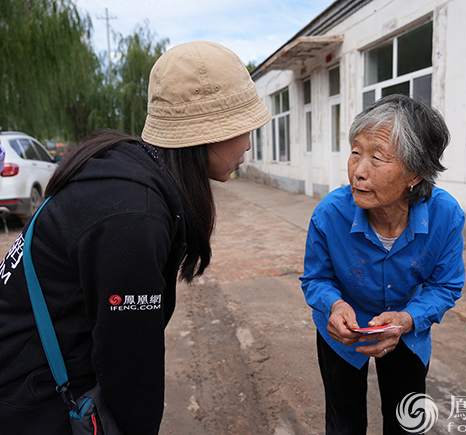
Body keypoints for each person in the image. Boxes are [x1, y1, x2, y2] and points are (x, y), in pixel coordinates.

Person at [0, 40, 270, 434]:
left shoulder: (128, 169)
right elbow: (130, 366)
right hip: (28, 400)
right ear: (204, 132)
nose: (248, 142)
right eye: (240, 127)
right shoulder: (133, 215)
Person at [300, 94, 465, 434]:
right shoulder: (330, 214)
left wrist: (407, 319)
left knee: (406, 421)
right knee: (343, 422)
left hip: (406, 330)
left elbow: (445, 285)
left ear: (415, 174)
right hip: (340, 332)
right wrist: (334, 305)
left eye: (377, 158)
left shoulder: (445, 216)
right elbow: (316, 278)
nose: (358, 172)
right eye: (355, 152)